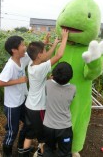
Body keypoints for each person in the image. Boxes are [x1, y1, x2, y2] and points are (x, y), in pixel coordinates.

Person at [22, 29, 69, 157]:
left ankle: (23, 154)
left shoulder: (31, 64)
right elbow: (58, 56)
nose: (45, 53)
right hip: (38, 109)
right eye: (43, 51)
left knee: (30, 133)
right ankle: (43, 153)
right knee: (44, 139)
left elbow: (46, 57)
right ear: (39, 56)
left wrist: (54, 44)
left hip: (29, 106)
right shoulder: (40, 68)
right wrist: (64, 38)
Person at [0, 35, 30, 157]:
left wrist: (45, 43)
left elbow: (36, 53)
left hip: (22, 100)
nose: (25, 47)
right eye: (22, 45)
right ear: (14, 49)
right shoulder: (10, 66)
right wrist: (19, 81)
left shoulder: (23, 58)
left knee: (28, 122)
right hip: (12, 105)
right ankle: (7, 152)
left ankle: (21, 146)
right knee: (12, 131)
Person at [43, 62, 76, 157]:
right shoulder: (73, 88)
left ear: (53, 75)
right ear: (70, 77)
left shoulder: (47, 84)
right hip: (64, 128)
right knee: (65, 152)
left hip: (48, 127)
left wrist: (51, 78)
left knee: (48, 149)